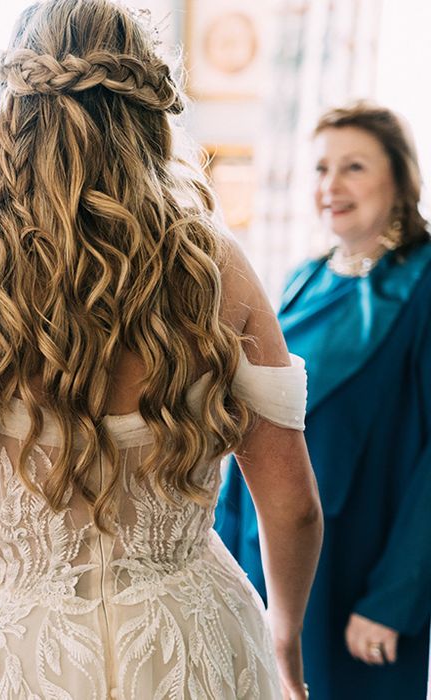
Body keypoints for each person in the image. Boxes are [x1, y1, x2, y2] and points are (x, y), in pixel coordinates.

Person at [0, 2, 323, 698]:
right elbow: (293, 508)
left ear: (7, 111)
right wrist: (286, 642)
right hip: (188, 649)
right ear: (150, 117)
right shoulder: (218, 271)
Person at [217, 101, 431, 699]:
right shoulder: (304, 276)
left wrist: (394, 598)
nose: (331, 185)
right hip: (270, 551)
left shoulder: (425, 282)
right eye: (320, 169)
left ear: (400, 178)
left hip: (359, 571)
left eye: (354, 167)